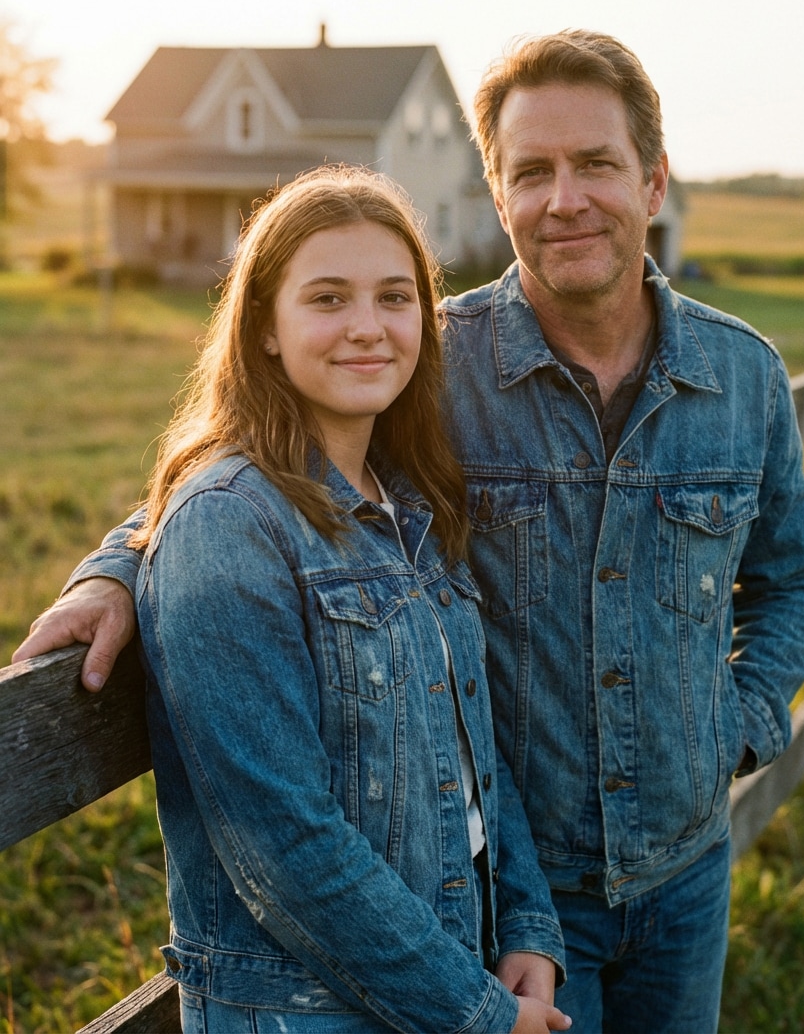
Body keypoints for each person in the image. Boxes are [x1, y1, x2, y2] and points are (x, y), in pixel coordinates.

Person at [16, 31, 804, 1033]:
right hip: (511, 890)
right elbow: (253, 462)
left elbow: (792, 578)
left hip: (687, 867)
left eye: (595, 164)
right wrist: (115, 566)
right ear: (497, 193)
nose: (564, 199)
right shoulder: (427, 357)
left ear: (653, 180)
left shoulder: (742, 374)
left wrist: (737, 729)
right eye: (531, 172)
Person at [26, 165, 569, 1033]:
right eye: (327, 298)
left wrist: (528, 928)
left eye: (395, 297)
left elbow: (479, 752)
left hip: (453, 963)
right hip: (310, 1010)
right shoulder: (229, 524)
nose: (368, 326)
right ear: (265, 329)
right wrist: (478, 1014)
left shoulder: (411, 500)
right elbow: (282, 844)